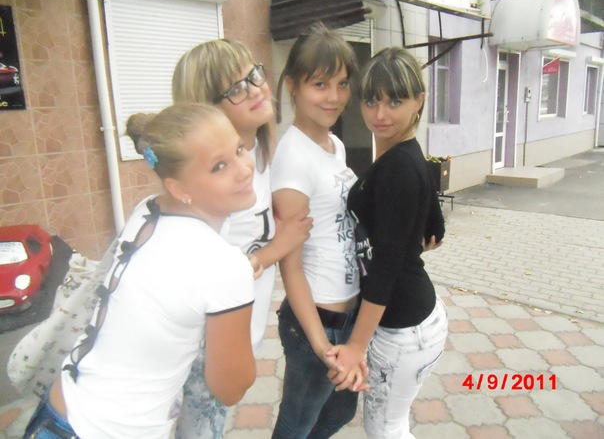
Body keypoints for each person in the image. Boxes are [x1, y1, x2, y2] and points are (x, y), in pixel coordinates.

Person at [22, 103, 257, 439]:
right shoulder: (226, 267)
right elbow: (231, 388)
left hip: (57, 412)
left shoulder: (147, 210)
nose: (244, 169)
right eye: (219, 166)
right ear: (179, 188)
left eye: (239, 149)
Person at [171, 39, 312, 439]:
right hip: (203, 348)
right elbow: (203, 279)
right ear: (206, 110)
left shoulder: (260, 155)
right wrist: (277, 248)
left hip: (237, 337)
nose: (255, 88)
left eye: (254, 74)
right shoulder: (214, 187)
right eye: (235, 88)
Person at [328, 47, 448, 439]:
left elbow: (385, 271)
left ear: (419, 101)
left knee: (385, 430)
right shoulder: (406, 154)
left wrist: (355, 347)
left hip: (403, 329)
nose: (380, 114)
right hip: (414, 319)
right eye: (371, 101)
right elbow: (435, 229)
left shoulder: (400, 167)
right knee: (390, 427)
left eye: (395, 102)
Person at [269, 22, 362, 439]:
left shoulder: (334, 145)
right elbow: (289, 267)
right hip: (317, 324)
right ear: (293, 86)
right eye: (320, 84)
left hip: (347, 315)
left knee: (339, 411)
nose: (334, 97)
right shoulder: (293, 159)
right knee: (296, 426)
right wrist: (321, 344)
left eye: (342, 84)